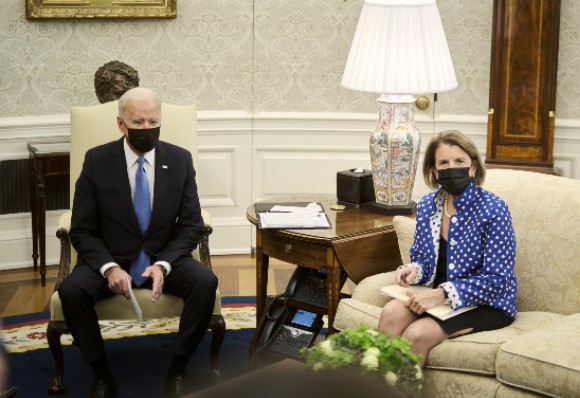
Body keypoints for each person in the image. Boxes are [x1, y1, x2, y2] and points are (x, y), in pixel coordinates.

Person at [58, 87, 217, 398]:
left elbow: (190, 226)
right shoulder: (97, 161)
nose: (147, 129)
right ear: (122, 124)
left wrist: (164, 264)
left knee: (204, 281)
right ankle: (102, 375)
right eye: (139, 122)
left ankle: (178, 369)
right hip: (112, 256)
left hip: (164, 254)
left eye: (153, 122)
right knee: (71, 290)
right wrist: (108, 268)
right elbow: (82, 230)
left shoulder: (180, 160)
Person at [378, 130, 517, 367]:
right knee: (391, 313)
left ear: (472, 167)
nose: (452, 168)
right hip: (434, 295)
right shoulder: (427, 205)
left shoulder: (494, 209)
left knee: (417, 334)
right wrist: (414, 270)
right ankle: (373, 389)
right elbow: (422, 258)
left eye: (460, 161)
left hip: (487, 303)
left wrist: (442, 294)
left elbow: (497, 279)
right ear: (434, 170)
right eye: (443, 162)